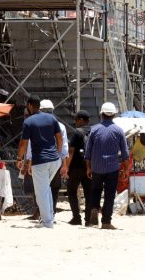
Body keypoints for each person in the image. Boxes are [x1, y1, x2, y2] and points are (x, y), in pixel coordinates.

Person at [17, 96, 66, 229]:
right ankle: (50, 216)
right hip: (55, 160)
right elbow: (59, 138)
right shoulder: (51, 118)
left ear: (30, 105)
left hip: (40, 161)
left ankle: (47, 222)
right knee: (46, 189)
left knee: (41, 192)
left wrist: (19, 158)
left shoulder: (29, 122)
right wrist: (59, 154)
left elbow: (23, 143)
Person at [84, 102, 128, 230]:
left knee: (96, 191)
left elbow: (88, 152)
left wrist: (88, 167)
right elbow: (125, 153)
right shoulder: (119, 131)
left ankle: (94, 209)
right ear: (113, 115)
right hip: (112, 168)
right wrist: (125, 169)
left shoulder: (94, 129)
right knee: (109, 195)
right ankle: (106, 222)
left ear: (101, 115)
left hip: (97, 167)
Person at [66, 110, 92, 226]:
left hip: (76, 167)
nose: (75, 122)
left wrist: (66, 167)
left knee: (71, 192)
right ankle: (88, 219)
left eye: (76, 120)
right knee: (89, 193)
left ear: (81, 120)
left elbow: (71, 151)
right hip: (89, 167)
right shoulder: (93, 131)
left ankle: (76, 217)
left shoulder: (77, 132)